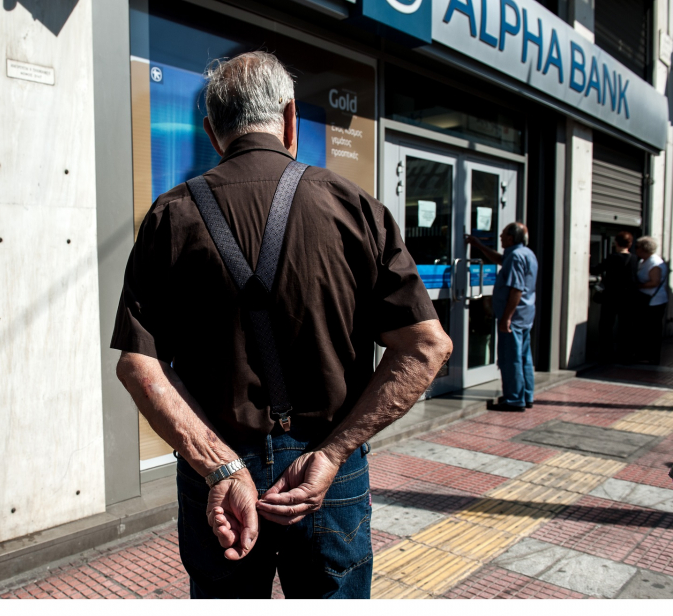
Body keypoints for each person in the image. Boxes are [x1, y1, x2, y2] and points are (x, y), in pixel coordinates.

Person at [111, 51, 452, 599]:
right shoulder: (355, 208)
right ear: (291, 119)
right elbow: (427, 347)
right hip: (325, 471)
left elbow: (137, 363)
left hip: (217, 475)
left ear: (212, 132)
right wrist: (333, 454)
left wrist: (219, 465)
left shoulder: (169, 216)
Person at [465, 223, 538, 412]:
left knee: (510, 358)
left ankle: (514, 400)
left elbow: (516, 289)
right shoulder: (525, 253)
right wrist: (479, 246)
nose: (500, 236)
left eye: (503, 234)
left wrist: (506, 318)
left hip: (514, 317)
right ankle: (526, 395)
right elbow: (500, 259)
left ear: (511, 238)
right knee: (524, 357)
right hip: (525, 315)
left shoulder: (515, 256)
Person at [590, 231, 637, 363]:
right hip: (627, 298)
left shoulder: (613, 258)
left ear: (616, 242)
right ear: (630, 243)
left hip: (611, 297)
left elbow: (596, 269)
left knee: (606, 326)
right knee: (626, 326)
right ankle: (625, 355)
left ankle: (607, 354)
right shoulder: (634, 259)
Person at [633, 236, 668, 365]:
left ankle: (650, 357)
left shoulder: (654, 262)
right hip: (647, 299)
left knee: (651, 330)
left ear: (644, 249)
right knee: (645, 329)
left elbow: (655, 282)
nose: (635, 250)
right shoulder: (644, 261)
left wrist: (638, 286)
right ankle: (644, 355)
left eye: (637, 247)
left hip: (654, 302)